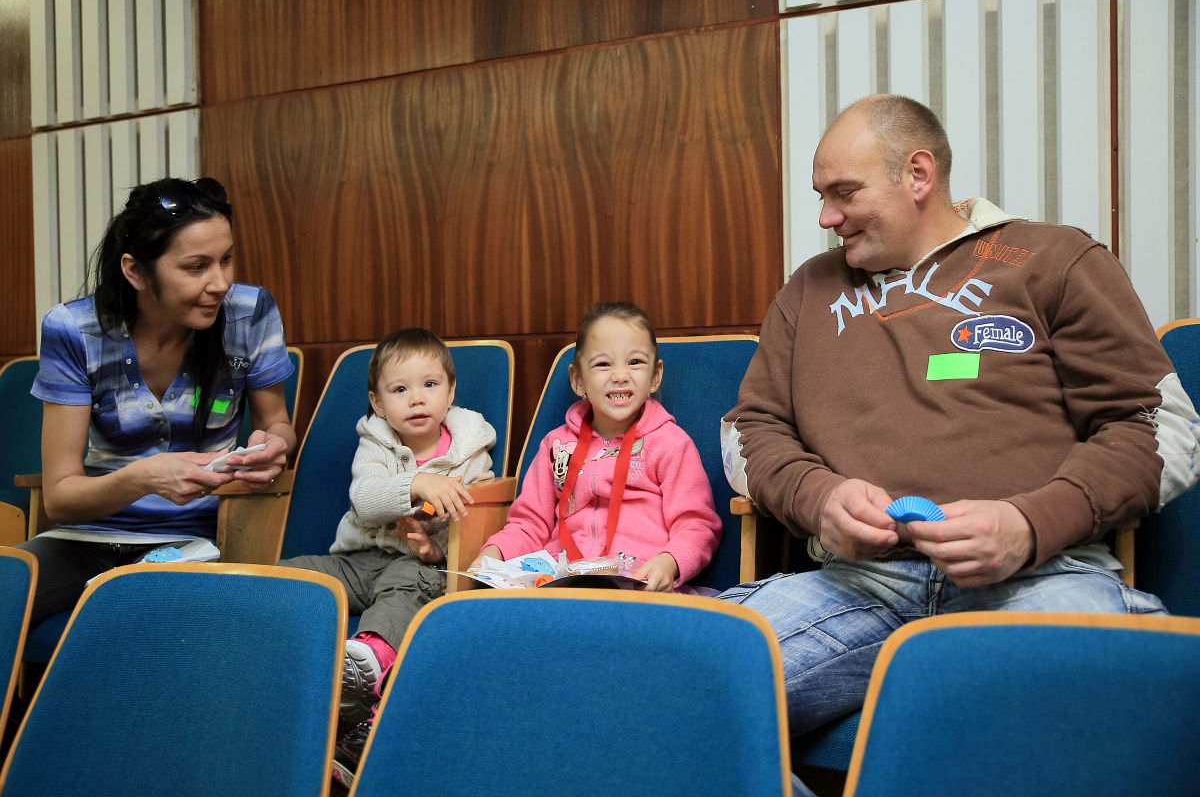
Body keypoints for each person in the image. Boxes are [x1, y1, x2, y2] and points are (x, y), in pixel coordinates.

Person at [718, 94, 1200, 782]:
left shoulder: (1053, 259)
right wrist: (817, 498)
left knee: (1102, 728)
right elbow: (749, 431)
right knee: (666, 697)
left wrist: (1029, 524)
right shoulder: (809, 289)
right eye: (822, 196)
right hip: (856, 584)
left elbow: (1160, 427)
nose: (825, 217)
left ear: (917, 175)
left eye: (844, 193)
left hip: (1039, 577)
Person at [20, 176, 295, 625]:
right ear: (135, 272)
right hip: (86, 537)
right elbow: (61, 497)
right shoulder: (74, 330)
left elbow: (278, 424)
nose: (221, 282)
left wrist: (275, 445)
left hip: (202, 541)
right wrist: (144, 478)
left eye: (226, 259)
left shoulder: (249, 313)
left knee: (146, 617)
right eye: (196, 266)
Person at [275, 327, 496, 788]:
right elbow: (365, 500)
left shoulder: (471, 449)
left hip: (419, 566)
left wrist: (436, 549)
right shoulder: (375, 441)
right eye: (400, 390)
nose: (417, 399)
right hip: (357, 560)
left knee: (405, 589)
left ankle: (367, 662)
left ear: (450, 392)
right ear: (378, 403)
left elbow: (473, 525)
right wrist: (417, 483)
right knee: (291, 576)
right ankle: (249, 618)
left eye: (430, 385)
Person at [474, 301, 722, 593]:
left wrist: (671, 561)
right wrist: (496, 553)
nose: (620, 375)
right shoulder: (555, 445)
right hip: (564, 586)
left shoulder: (671, 444)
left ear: (655, 376)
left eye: (635, 362)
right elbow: (529, 525)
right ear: (578, 380)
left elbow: (697, 525)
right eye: (603, 364)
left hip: (639, 588)